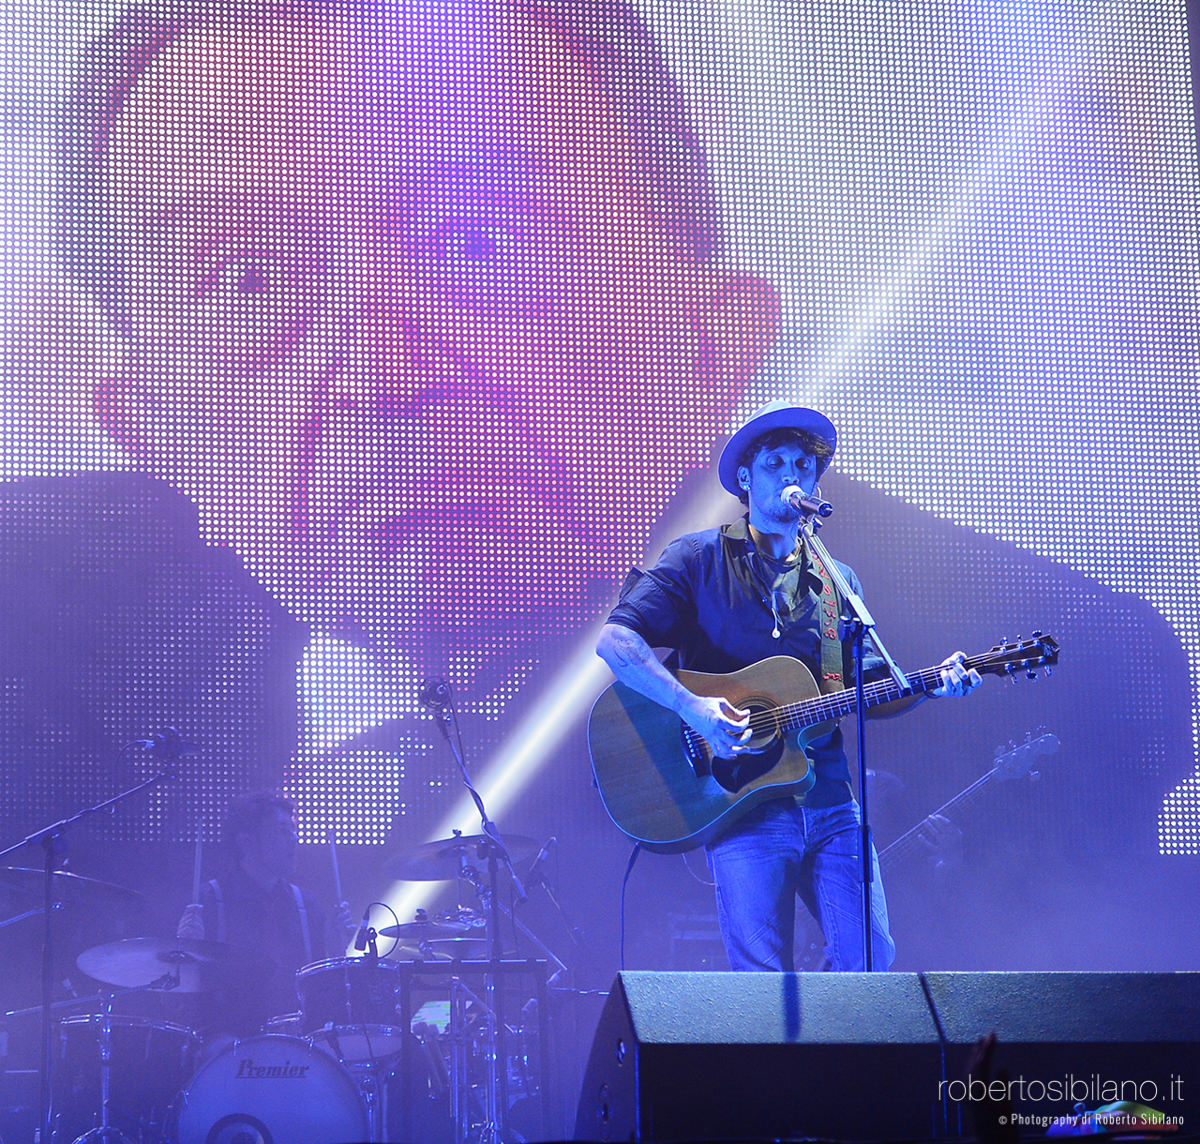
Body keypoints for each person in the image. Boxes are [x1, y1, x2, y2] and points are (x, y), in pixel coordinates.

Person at [596, 401, 981, 972]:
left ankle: (829, 1054)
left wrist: (929, 684)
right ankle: (781, 1056)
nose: (794, 474)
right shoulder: (698, 558)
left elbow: (869, 685)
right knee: (762, 977)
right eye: (776, 462)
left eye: (804, 463)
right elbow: (616, 643)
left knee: (870, 959)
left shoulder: (836, 581)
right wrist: (696, 710)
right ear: (747, 480)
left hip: (830, 800)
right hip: (740, 801)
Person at [176, 790, 354, 1040]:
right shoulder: (208, 902)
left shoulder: (307, 905)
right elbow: (179, 1001)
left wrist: (334, 952)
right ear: (246, 841)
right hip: (227, 1048)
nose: (294, 839)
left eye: (293, 831)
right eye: (282, 831)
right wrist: (185, 953)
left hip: (298, 1045)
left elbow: (323, 995)